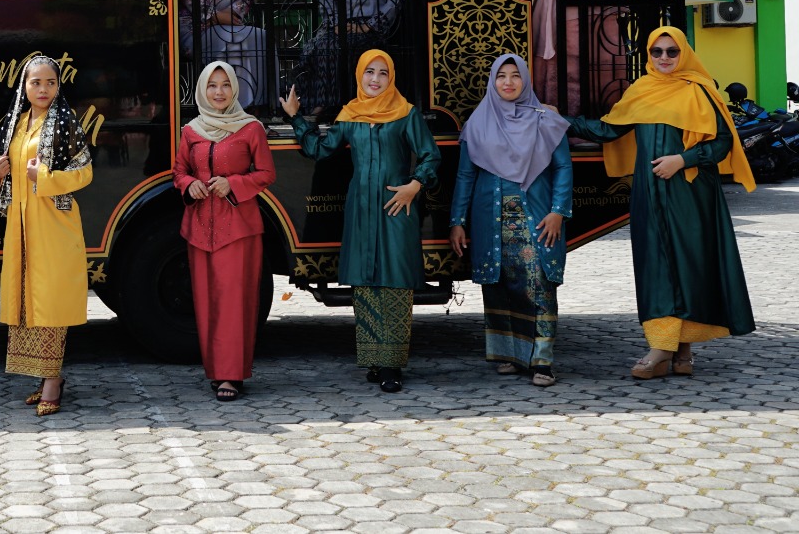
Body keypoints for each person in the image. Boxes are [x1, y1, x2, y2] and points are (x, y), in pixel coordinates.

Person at [564, 26, 755, 379]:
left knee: (687, 263)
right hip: (649, 195)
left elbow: (722, 142)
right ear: (648, 55)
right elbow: (608, 129)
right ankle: (671, 348)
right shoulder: (641, 90)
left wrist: (682, 160)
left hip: (690, 193)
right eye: (657, 52)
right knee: (657, 263)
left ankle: (669, 350)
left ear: (683, 53)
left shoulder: (700, 91)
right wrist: (560, 120)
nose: (664, 58)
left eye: (671, 51)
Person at [281, 49, 440, 393]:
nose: (375, 79)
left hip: (396, 207)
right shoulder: (350, 115)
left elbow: (430, 154)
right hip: (360, 208)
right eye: (370, 72)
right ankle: (373, 358)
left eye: (383, 73)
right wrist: (296, 118)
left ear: (391, 77)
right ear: (359, 75)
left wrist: (415, 185)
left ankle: (392, 365)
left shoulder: (405, 113)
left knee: (394, 283)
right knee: (366, 283)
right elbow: (321, 150)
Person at [448, 54, 573, 387]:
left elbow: (562, 167)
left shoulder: (545, 120)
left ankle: (542, 360)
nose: (508, 82)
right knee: (500, 284)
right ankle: (509, 356)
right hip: (491, 220)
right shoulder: (479, 121)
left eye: (515, 76)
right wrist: (457, 220)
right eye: (501, 76)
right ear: (492, 81)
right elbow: (465, 175)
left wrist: (558, 211)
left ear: (526, 80)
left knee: (539, 285)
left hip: (536, 217)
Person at [0, 55, 93, 416]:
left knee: (50, 299)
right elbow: (5, 168)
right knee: (27, 300)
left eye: (50, 82)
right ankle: (46, 375)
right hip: (20, 224)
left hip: (53, 224)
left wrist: (44, 178)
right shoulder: (16, 123)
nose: (43, 89)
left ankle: (52, 381)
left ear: (58, 86)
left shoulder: (65, 121)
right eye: (36, 82)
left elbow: (84, 172)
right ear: (25, 86)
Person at [174, 60, 277, 401]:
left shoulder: (251, 129)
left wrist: (232, 183)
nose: (219, 92)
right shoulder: (191, 131)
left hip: (239, 229)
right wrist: (190, 185)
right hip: (199, 229)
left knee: (235, 301)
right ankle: (215, 372)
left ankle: (232, 375)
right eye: (212, 86)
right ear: (202, 90)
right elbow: (179, 172)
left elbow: (265, 173)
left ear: (235, 88)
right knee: (206, 302)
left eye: (225, 85)